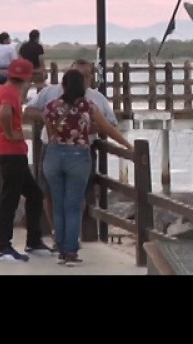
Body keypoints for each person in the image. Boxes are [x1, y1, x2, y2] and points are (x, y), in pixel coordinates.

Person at [40, 68, 133, 266]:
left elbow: (50, 133)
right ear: (82, 86)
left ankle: (60, 247)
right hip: (78, 155)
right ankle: (71, 251)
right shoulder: (88, 106)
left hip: (53, 155)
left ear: (63, 85)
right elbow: (107, 128)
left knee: (58, 203)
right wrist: (127, 145)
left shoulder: (50, 106)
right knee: (73, 205)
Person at [24, 58, 118, 250]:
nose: (82, 79)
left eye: (86, 75)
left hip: (79, 149)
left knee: (76, 197)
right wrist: (52, 120)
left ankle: (68, 239)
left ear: (91, 77)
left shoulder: (96, 97)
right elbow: (30, 110)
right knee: (52, 196)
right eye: (78, 75)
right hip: (56, 150)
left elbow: (110, 122)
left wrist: (84, 128)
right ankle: (63, 240)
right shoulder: (50, 93)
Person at [0, 58, 53, 261]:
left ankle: (33, 241)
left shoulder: (1, 90)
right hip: (11, 152)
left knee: (34, 194)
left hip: (10, 152)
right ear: (27, 77)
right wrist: (9, 133)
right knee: (10, 199)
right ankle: (3, 247)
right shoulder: (10, 94)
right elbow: (4, 112)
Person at [18, 29, 46, 99]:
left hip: (26, 71)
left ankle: (22, 100)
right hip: (37, 71)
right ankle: (39, 99)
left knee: (25, 85)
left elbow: (20, 59)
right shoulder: (39, 47)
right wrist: (44, 71)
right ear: (37, 37)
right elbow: (41, 60)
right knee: (40, 85)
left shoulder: (23, 46)